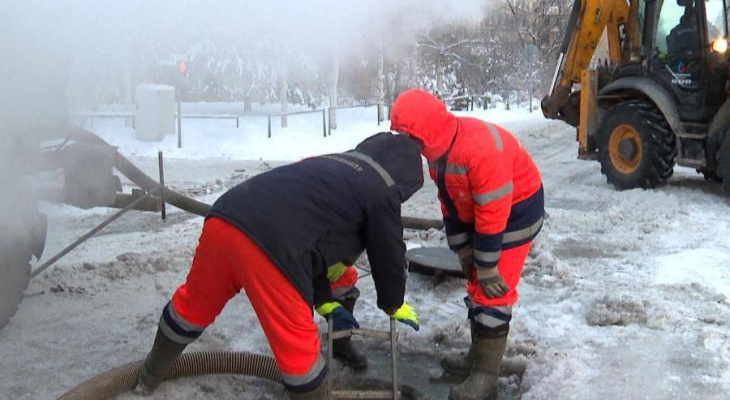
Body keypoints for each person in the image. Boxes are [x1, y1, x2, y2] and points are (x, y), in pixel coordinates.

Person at [133, 132, 423, 399]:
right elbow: (388, 253)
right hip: (272, 247)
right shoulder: (381, 189)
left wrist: (322, 298)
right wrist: (392, 303)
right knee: (301, 359)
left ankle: (148, 378)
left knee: (191, 308)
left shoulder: (331, 166)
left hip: (225, 218)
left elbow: (315, 237)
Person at [390, 89, 544, 400]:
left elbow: (493, 211)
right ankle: (479, 359)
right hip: (484, 214)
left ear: (424, 131)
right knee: (475, 284)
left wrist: (486, 264)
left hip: (516, 212)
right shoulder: (438, 153)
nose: (406, 145)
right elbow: (450, 204)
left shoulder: (480, 151)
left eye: (408, 136)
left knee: (491, 290)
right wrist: (463, 250)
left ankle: (486, 377)